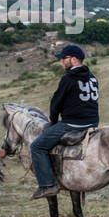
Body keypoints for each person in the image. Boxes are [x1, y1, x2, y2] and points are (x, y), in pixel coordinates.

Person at [30, 44, 99, 199]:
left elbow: (56, 103)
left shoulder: (68, 78)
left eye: (64, 58)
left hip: (72, 123)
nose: (61, 61)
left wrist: (53, 120)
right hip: (92, 123)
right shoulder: (92, 76)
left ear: (73, 59)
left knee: (37, 146)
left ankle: (48, 185)